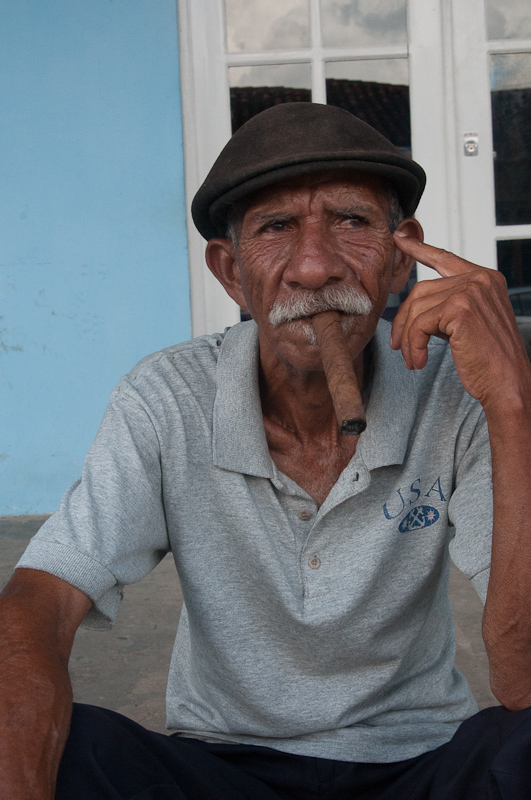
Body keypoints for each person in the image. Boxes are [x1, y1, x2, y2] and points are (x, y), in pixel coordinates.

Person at [1, 102, 531, 800]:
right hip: (223, 770)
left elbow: (521, 678)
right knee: (50, 736)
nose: (314, 267)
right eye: (276, 228)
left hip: (419, 765)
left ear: (402, 256)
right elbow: (39, 600)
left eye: (350, 221)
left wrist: (512, 405)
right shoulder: (168, 396)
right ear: (229, 271)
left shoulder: (454, 391)